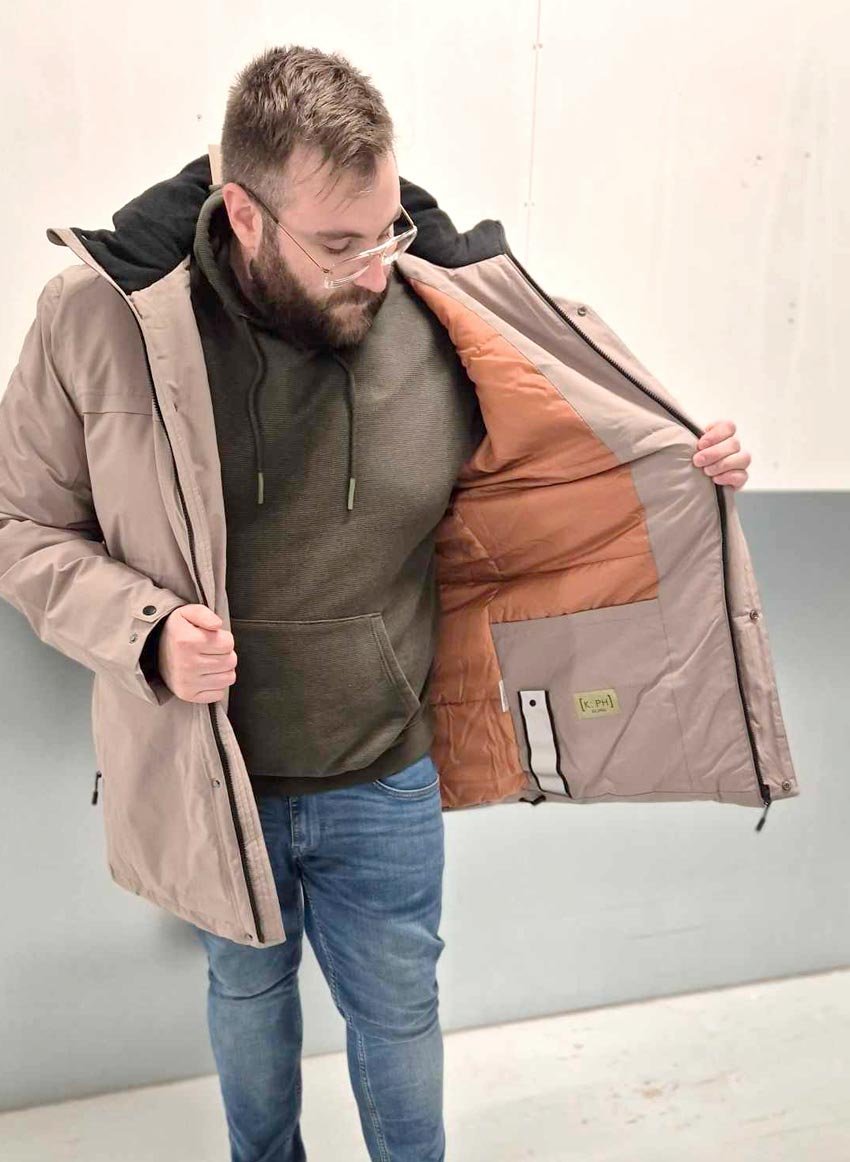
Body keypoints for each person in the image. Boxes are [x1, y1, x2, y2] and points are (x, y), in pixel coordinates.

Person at [0, 44, 759, 1162]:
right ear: (243, 216)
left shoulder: (451, 308)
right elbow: (22, 527)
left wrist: (688, 459)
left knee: (400, 1014)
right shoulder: (98, 320)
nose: (373, 269)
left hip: (385, 771)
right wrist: (146, 633)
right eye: (338, 244)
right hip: (213, 772)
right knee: (247, 997)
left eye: (388, 229)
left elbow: (582, 446)